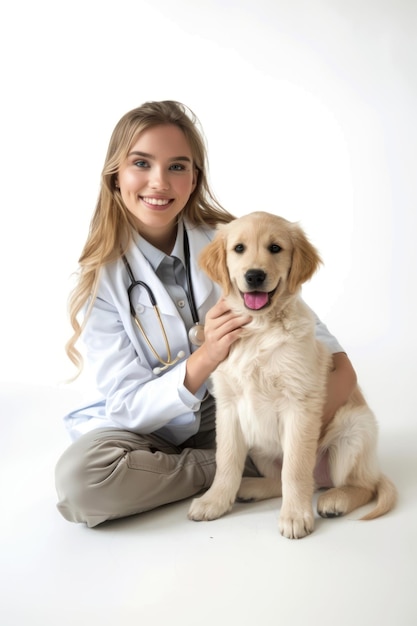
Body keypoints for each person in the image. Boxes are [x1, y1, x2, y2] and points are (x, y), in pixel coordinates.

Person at [55, 100, 357, 528]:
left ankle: (234, 467)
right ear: (115, 174)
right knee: (82, 482)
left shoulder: (238, 242)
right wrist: (206, 356)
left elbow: (323, 350)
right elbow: (125, 404)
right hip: (152, 423)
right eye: (141, 163)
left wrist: (305, 435)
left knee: (264, 426)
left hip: (240, 411)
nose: (159, 181)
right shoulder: (101, 279)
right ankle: (225, 468)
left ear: (194, 178)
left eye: (177, 166)